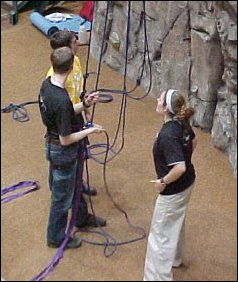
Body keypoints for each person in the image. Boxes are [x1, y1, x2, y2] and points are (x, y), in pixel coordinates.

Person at [39, 47, 106, 249]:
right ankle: (55, 237)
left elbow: (66, 110)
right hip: (62, 150)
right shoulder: (60, 99)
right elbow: (66, 139)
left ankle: (81, 217)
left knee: (69, 186)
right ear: (70, 68)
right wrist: (90, 130)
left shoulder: (47, 86)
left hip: (51, 145)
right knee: (61, 197)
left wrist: (84, 103)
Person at [143, 89, 197, 281]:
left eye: (160, 98)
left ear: (166, 108)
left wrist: (163, 182)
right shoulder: (182, 124)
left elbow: (179, 167)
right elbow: (194, 141)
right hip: (188, 184)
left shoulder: (168, 135)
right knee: (176, 220)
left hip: (173, 190)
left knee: (159, 236)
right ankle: (176, 258)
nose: (157, 99)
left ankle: (156, 277)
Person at [46, 30, 96, 196]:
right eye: (75, 42)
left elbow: (80, 89)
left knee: (79, 153)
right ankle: (60, 187)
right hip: (65, 116)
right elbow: (61, 108)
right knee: (64, 154)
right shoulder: (55, 77)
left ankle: (78, 182)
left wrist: (86, 109)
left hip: (77, 111)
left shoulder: (76, 61)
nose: (78, 43)